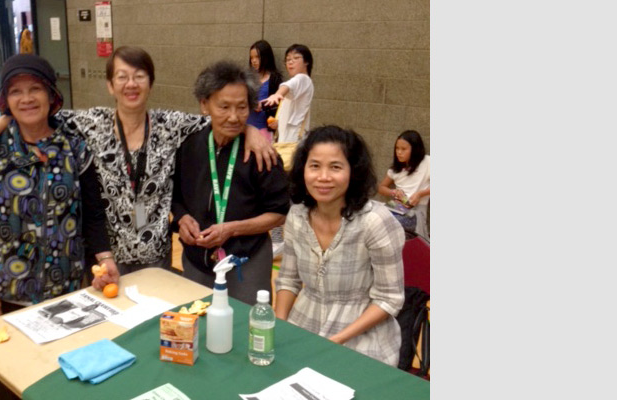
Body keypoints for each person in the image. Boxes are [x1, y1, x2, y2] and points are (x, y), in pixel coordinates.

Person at [0, 47, 278, 288]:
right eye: (122, 77)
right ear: (111, 85)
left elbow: (222, 120)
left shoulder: (172, 125)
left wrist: (253, 130)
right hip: (105, 256)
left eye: (139, 76)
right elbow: (32, 109)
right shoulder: (90, 122)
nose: (131, 84)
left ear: (150, 83)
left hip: (156, 254)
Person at [0, 54, 115, 400]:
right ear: (5, 101)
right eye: (16, 92)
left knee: (60, 380)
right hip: (8, 292)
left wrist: (106, 259)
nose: (27, 98)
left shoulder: (75, 147)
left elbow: (92, 216)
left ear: (51, 96)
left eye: (35, 89)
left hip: (67, 290)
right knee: (12, 380)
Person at [274, 125, 406, 366]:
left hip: (362, 340)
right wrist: (281, 326)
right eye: (314, 166)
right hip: (303, 326)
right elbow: (288, 280)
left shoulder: (375, 222)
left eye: (335, 167)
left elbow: (389, 299)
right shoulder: (296, 216)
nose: (323, 177)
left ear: (353, 172)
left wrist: (336, 341)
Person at [172, 60, 290, 305]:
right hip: (196, 258)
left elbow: (279, 213)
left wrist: (232, 229)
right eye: (224, 107)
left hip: (246, 262)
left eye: (242, 107)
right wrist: (182, 218)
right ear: (205, 105)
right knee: (195, 324)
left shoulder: (262, 155)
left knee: (244, 327)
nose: (234, 117)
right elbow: (174, 196)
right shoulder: (188, 145)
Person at [377, 130, 430, 238]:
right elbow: (381, 188)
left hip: (415, 212)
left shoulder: (427, 162)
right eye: (397, 148)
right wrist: (394, 192)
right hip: (397, 206)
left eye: (403, 149)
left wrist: (420, 194)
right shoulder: (396, 168)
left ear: (415, 149)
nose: (399, 152)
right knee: (372, 216)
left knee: (385, 224)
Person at [260, 44, 314, 144]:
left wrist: (276, 94)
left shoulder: (303, 79)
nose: (290, 62)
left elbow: (287, 86)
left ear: (307, 62)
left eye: (296, 58)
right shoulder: (299, 83)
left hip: (293, 142)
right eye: (288, 59)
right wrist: (278, 124)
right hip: (286, 140)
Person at [246, 40, 283, 138]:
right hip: (247, 126)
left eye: (257, 57)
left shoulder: (274, 79)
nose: (253, 61)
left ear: (266, 58)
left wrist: (277, 121)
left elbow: (280, 105)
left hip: (265, 127)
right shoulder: (247, 77)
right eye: (251, 57)